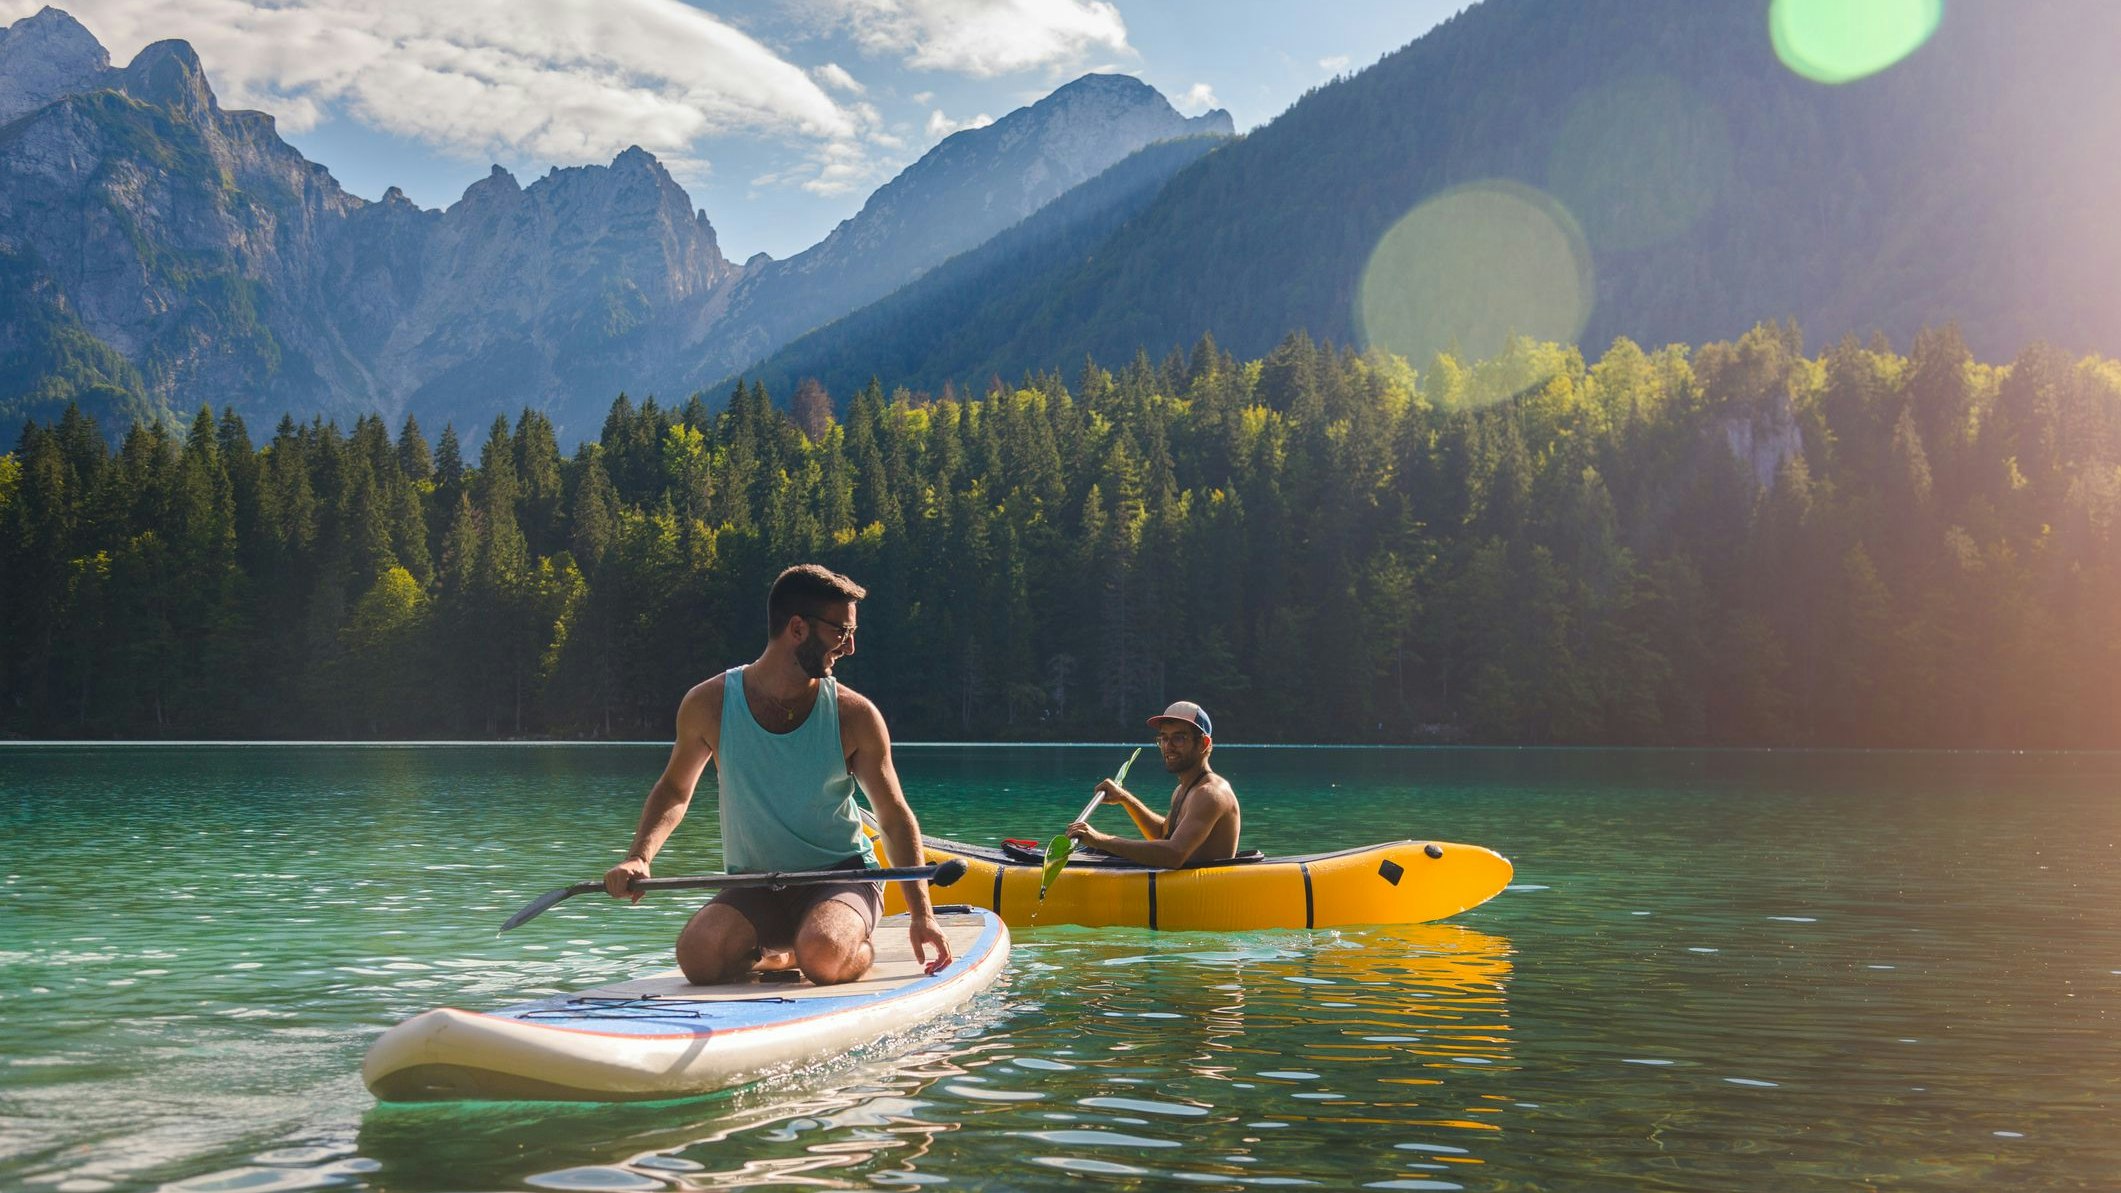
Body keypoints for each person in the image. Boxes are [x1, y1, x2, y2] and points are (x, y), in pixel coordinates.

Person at [601, 564, 951, 986]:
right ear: (798, 628)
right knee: (699, 959)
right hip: (757, 883)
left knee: (822, 952)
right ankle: (783, 957)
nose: (851, 647)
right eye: (841, 631)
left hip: (843, 876)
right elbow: (675, 789)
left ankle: (846, 950)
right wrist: (640, 856)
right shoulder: (708, 704)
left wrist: (922, 915)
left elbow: (893, 816)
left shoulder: (853, 715)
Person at [1066, 700, 1241, 867]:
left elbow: (1174, 854)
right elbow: (1161, 835)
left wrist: (1101, 840)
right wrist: (1125, 799)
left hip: (1205, 893)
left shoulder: (1210, 793)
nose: (1168, 746)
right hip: (1184, 887)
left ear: (1204, 743)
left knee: (1100, 846)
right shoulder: (1183, 789)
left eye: (1178, 738)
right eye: (1164, 738)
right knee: (1094, 850)